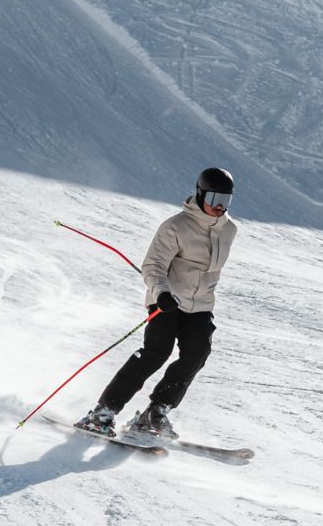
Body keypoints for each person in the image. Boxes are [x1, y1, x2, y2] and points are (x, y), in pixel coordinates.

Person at [78, 167, 238, 439]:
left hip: (200, 305)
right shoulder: (176, 226)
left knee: (196, 355)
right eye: (213, 199)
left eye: (226, 201)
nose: (219, 207)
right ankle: (103, 412)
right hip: (166, 301)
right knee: (155, 353)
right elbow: (153, 266)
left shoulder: (229, 230)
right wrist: (162, 294)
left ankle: (156, 411)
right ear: (200, 195)